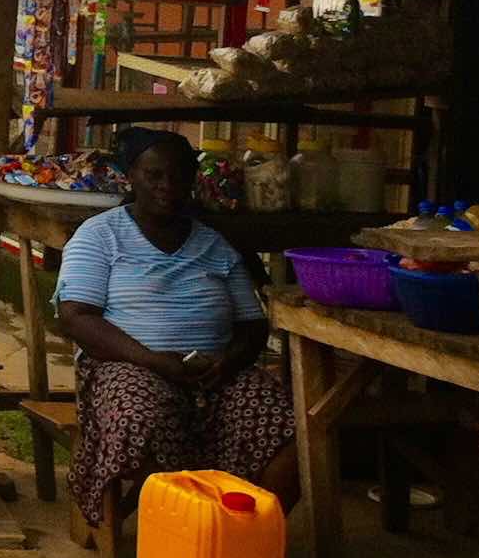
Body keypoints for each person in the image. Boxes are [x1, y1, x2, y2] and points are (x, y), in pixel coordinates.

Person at [54, 131, 298, 530]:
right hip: (128, 366)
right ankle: (176, 535)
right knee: (140, 415)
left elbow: (253, 325)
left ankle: (249, 536)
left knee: (284, 422)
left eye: (178, 177)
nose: (167, 187)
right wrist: (154, 361)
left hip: (214, 375)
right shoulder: (100, 235)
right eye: (154, 175)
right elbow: (75, 316)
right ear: (131, 176)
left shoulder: (215, 245)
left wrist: (228, 361)